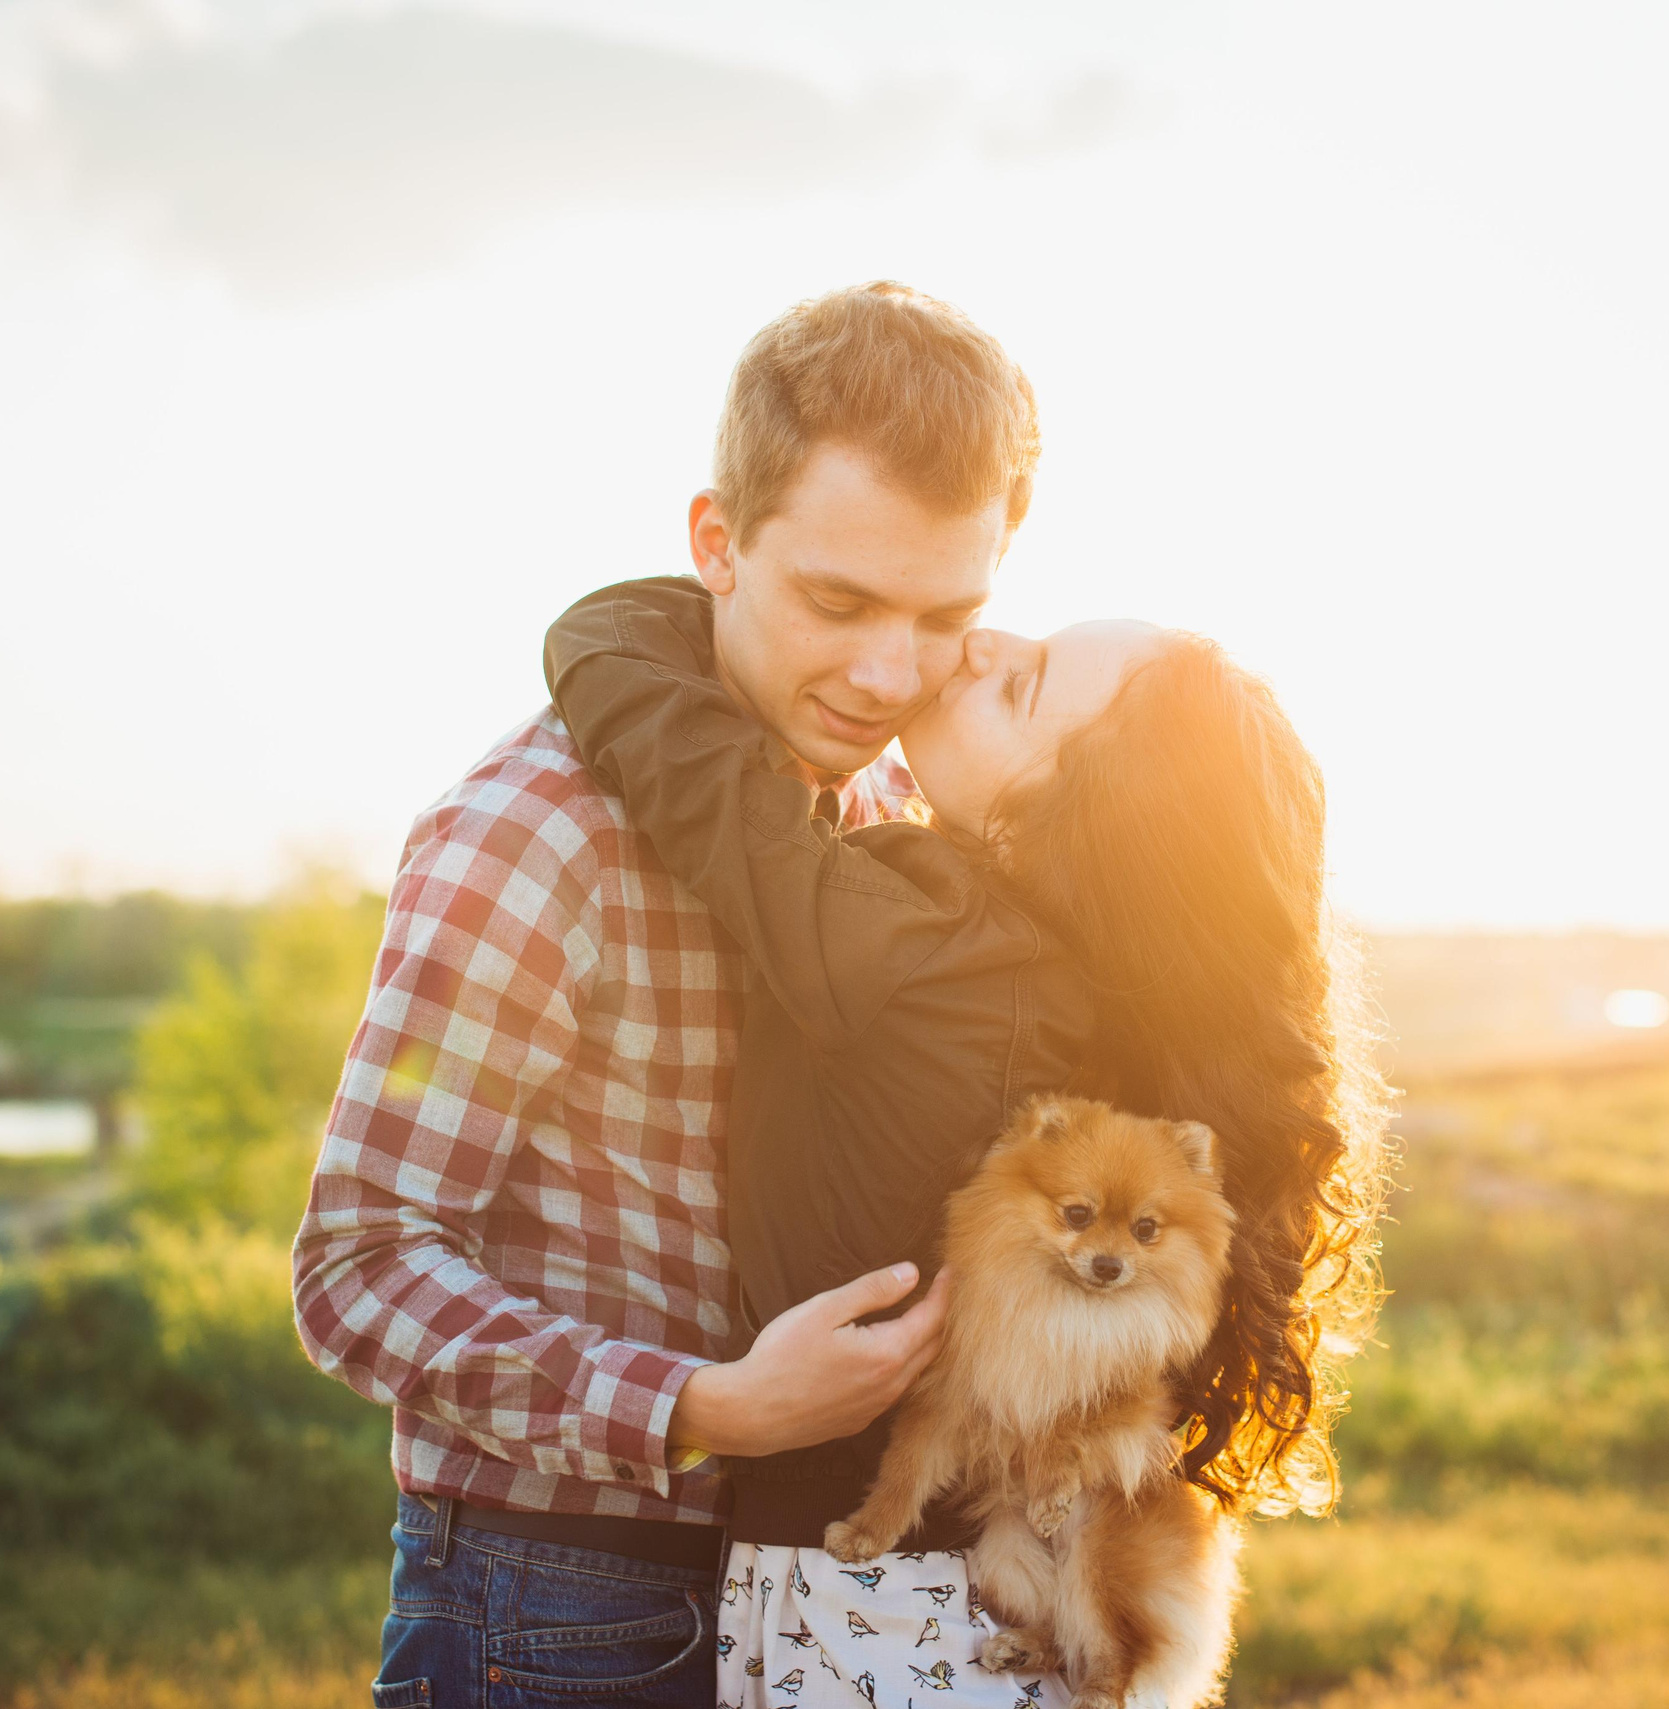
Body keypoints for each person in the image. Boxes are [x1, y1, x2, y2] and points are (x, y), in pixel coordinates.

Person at [291, 282, 1042, 1709]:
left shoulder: (894, 798)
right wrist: (704, 1407)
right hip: (554, 1596)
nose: (890, 672)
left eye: (945, 616)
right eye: (838, 600)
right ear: (717, 541)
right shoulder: (533, 834)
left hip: (822, 1595)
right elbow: (358, 1266)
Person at [542, 576, 1388, 1707]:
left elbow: (691, 771)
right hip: (950, 1622)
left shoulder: (932, 950)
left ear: (1052, 819)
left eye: (1022, 680)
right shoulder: (1067, 985)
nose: (981, 644)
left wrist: (660, 605)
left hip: (889, 1626)